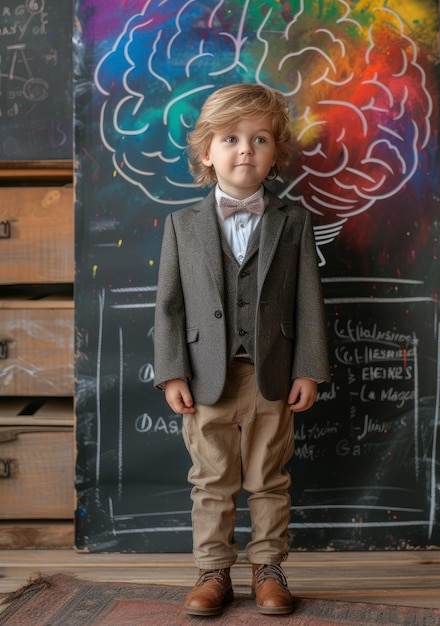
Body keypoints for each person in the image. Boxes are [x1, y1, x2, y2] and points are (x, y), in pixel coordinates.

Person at [154, 83, 330, 617]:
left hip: (271, 375)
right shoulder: (182, 226)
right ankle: (212, 573)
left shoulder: (293, 222)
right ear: (207, 151)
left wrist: (310, 369)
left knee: (269, 478)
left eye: (259, 139)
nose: (245, 149)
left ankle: (268, 570)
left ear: (275, 153)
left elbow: (307, 301)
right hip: (207, 377)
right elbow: (170, 306)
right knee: (211, 480)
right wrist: (171, 374)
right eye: (231, 138)